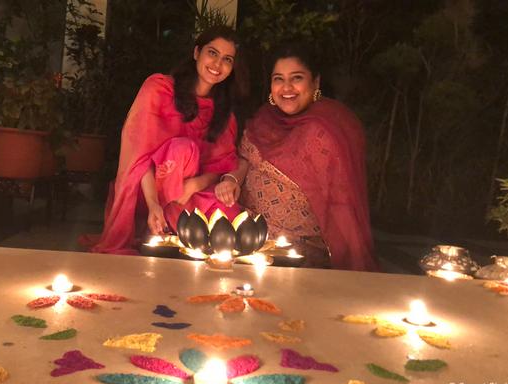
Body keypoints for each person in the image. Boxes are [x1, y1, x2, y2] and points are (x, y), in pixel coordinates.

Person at [217, 43, 378, 271]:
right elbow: (245, 158)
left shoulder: (327, 128)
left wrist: (347, 257)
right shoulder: (265, 117)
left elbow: (341, 203)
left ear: (316, 82)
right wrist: (232, 179)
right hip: (244, 233)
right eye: (278, 79)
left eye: (297, 78)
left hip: (296, 252)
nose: (286, 87)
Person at [90, 26, 248, 255]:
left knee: (230, 215)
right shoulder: (159, 88)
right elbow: (138, 157)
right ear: (196, 53)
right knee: (182, 149)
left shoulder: (224, 113)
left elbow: (219, 167)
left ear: (232, 68)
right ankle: (158, 223)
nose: (217, 64)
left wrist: (193, 185)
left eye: (227, 59)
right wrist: (154, 203)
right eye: (212, 53)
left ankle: (173, 227)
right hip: (147, 192)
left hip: (188, 192)